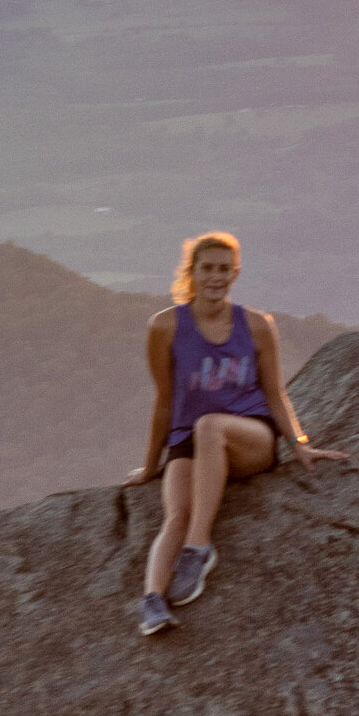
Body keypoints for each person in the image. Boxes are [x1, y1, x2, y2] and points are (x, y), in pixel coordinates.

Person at [128, 229, 323, 636]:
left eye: (224, 269)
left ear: (235, 274)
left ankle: (199, 548)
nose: (216, 277)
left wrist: (300, 445)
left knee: (211, 426)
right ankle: (152, 602)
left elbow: (275, 392)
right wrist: (150, 466)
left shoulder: (255, 325)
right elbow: (164, 401)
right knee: (175, 514)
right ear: (192, 273)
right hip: (190, 441)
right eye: (207, 269)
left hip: (248, 438)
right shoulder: (165, 327)